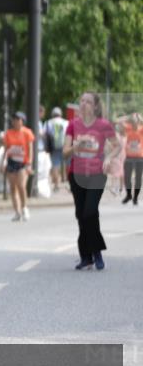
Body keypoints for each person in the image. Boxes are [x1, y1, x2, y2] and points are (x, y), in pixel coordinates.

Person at [64, 91, 121, 270]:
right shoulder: (73, 125)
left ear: (95, 106)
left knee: (89, 212)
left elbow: (117, 146)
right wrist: (75, 146)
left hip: (97, 174)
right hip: (76, 174)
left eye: (88, 102)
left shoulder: (103, 125)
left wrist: (107, 158)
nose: (84, 104)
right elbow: (65, 152)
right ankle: (86, 256)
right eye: (82, 101)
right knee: (81, 214)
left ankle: (96, 251)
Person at [1, 111, 36, 222]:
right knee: (12, 187)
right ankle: (17, 212)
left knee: (21, 185)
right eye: (14, 120)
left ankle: (24, 207)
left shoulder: (27, 133)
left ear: (22, 121)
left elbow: (30, 149)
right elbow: (6, 149)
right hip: (12, 161)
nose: (15, 122)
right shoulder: (8, 133)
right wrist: (3, 162)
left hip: (23, 163)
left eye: (18, 120)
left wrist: (29, 163)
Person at [116, 111, 142, 206]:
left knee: (138, 178)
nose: (134, 122)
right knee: (127, 178)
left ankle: (135, 197)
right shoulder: (128, 128)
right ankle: (128, 195)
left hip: (139, 157)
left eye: (136, 120)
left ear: (138, 121)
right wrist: (128, 117)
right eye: (133, 120)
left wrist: (140, 117)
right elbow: (117, 121)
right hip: (129, 157)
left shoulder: (141, 129)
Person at [45, 107, 69, 192]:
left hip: (53, 147)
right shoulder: (66, 122)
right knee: (67, 164)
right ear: (60, 114)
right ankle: (70, 184)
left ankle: (56, 185)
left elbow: (45, 134)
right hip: (65, 146)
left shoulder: (48, 123)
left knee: (55, 165)